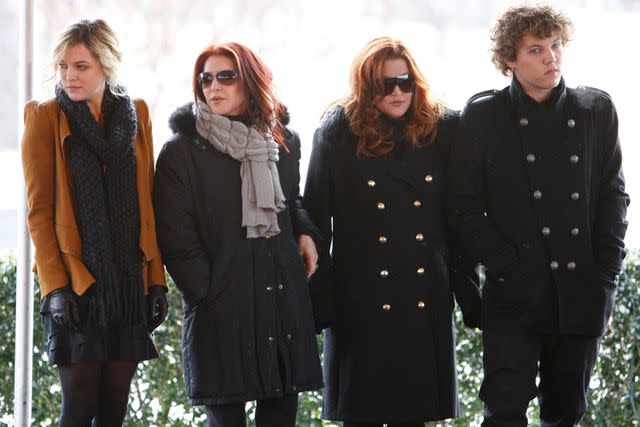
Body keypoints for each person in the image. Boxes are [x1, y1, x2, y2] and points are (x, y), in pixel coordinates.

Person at [448, 5, 629, 427]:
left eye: (556, 45)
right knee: (504, 414)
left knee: (565, 415)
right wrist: (503, 263)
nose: (552, 57)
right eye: (536, 49)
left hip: (579, 291)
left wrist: (605, 279)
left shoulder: (595, 110)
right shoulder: (484, 115)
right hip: (514, 296)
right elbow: (463, 205)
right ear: (509, 59)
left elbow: (614, 199)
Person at [303, 36, 481, 427]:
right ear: (366, 89)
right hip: (360, 302)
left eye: (406, 82)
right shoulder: (337, 135)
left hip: (423, 295)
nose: (398, 92)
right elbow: (315, 218)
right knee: (360, 416)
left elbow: (459, 218)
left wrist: (470, 293)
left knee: (414, 416)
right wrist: (321, 305)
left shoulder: (443, 130)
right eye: (386, 84)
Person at [153, 42, 323, 427]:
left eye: (226, 77)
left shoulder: (282, 142)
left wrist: (306, 233)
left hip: (280, 301)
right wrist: (206, 291)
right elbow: (175, 236)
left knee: (280, 416)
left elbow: (290, 202)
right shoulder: (182, 152)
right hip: (221, 310)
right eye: (206, 78)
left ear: (250, 81)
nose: (214, 86)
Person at [21, 19, 168, 427]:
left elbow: (147, 204)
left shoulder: (135, 114)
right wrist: (54, 288)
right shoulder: (45, 117)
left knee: (113, 410)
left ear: (106, 65)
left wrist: (156, 278)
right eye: (64, 66)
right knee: (79, 407)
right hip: (76, 285)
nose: (69, 75)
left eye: (81, 66)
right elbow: (39, 212)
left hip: (126, 284)